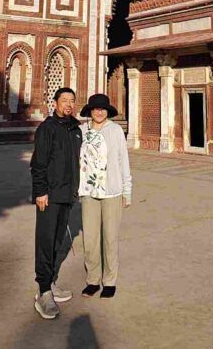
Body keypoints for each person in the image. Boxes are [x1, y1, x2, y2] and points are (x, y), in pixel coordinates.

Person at [30, 86, 81, 319]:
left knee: (58, 240)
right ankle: (42, 292)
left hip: (67, 194)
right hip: (49, 196)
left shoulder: (75, 130)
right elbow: (38, 164)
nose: (69, 105)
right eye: (64, 100)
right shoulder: (47, 129)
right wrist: (40, 192)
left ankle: (50, 284)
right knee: (46, 241)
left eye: (72, 101)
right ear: (56, 103)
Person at [78, 93, 132, 299]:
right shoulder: (82, 131)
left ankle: (110, 281)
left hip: (112, 191)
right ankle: (93, 280)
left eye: (102, 109)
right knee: (90, 239)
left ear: (107, 111)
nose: (99, 112)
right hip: (89, 193)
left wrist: (127, 190)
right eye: (95, 109)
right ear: (90, 111)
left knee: (110, 238)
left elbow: (123, 161)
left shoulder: (116, 131)